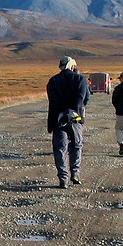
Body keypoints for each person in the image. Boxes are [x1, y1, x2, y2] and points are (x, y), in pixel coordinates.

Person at [46, 56, 90, 188]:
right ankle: (75, 173)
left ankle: (63, 178)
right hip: (75, 118)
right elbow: (82, 98)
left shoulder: (53, 81)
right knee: (76, 145)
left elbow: (53, 100)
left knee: (60, 148)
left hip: (58, 119)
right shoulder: (80, 79)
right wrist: (72, 111)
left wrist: (62, 113)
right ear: (72, 66)